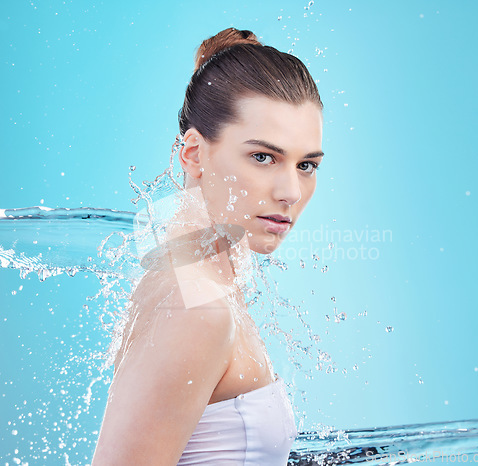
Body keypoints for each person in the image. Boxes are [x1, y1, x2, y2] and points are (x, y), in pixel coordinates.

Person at [92, 27, 324, 465]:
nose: (291, 191)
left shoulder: (208, 286)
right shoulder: (196, 311)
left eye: (307, 164)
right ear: (194, 154)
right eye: (263, 157)